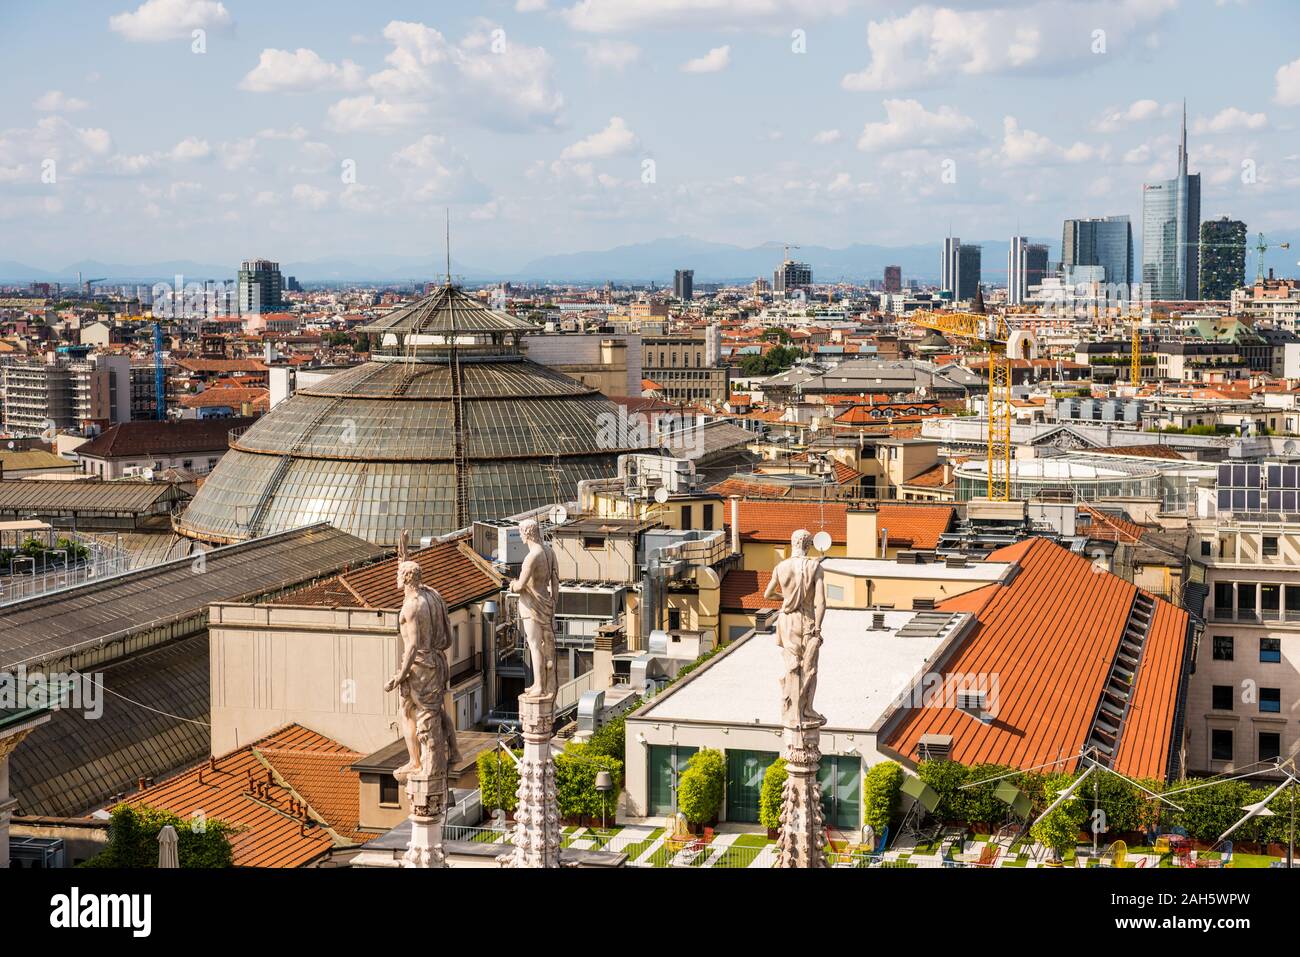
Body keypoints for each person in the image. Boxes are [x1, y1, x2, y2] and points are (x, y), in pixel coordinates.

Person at [762, 528, 827, 728]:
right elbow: (821, 602)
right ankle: (806, 708)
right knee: (810, 668)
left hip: (786, 620)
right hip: (806, 620)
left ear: (793, 544)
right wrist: (818, 628)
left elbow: (768, 594)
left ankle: (790, 706)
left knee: (792, 666)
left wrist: (786, 599)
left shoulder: (781, 567)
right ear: (808, 545)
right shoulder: (814, 567)